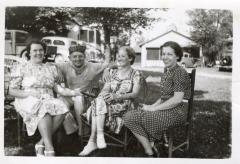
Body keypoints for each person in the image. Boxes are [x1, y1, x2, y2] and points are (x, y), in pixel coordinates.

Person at [8, 40, 79, 156]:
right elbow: (12, 90)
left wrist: (73, 92)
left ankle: (41, 143)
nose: (38, 53)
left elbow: (57, 88)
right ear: (29, 53)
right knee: (44, 109)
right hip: (27, 98)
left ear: (44, 52)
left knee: (63, 107)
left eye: (41, 50)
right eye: (35, 50)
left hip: (47, 98)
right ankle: (50, 149)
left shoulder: (50, 68)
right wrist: (29, 94)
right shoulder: (21, 67)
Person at [123, 41, 191, 157]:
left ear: (177, 56)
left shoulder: (179, 73)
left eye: (169, 54)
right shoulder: (167, 72)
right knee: (128, 116)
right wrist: (151, 106)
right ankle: (150, 148)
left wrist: (154, 109)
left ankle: (155, 143)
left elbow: (177, 99)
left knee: (143, 117)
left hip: (177, 111)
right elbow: (164, 97)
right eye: (163, 54)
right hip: (166, 108)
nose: (165, 57)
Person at [79, 46, 142, 156]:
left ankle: (92, 141)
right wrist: (104, 95)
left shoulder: (136, 74)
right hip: (106, 105)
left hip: (124, 106)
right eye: (118, 56)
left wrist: (116, 96)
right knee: (98, 101)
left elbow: (135, 94)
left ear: (130, 59)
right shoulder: (113, 73)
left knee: (96, 105)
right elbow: (105, 89)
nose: (119, 58)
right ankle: (98, 137)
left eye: (123, 56)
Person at [56, 44, 111, 136]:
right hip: (69, 95)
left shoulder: (92, 66)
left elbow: (108, 64)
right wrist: (58, 70)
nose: (78, 59)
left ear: (85, 57)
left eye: (80, 56)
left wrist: (106, 70)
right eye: (74, 56)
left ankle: (82, 130)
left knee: (78, 98)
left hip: (86, 97)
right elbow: (48, 64)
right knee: (60, 101)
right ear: (69, 58)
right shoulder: (64, 66)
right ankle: (71, 129)